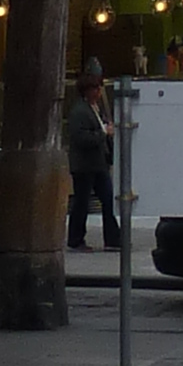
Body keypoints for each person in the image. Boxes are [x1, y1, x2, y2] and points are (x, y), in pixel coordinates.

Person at [64, 60, 118, 252]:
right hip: (84, 165)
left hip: (97, 163)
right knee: (82, 202)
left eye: (99, 87)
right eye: (95, 88)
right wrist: (103, 133)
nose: (98, 91)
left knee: (107, 199)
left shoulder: (95, 109)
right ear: (86, 91)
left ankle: (113, 239)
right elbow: (80, 138)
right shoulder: (80, 111)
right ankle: (76, 238)